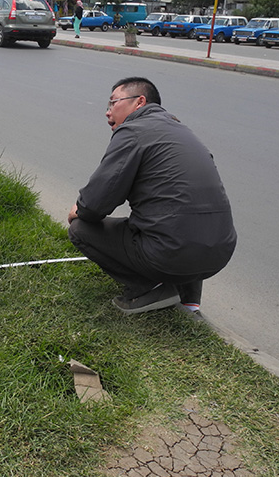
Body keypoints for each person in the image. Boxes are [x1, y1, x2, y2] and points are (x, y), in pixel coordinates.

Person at [67, 77, 236, 315]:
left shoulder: (133, 131)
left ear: (139, 102)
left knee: (81, 229)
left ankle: (151, 288)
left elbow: (96, 204)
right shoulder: (181, 130)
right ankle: (189, 302)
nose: (107, 112)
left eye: (113, 103)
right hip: (220, 252)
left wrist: (79, 210)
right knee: (185, 219)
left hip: (172, 252)